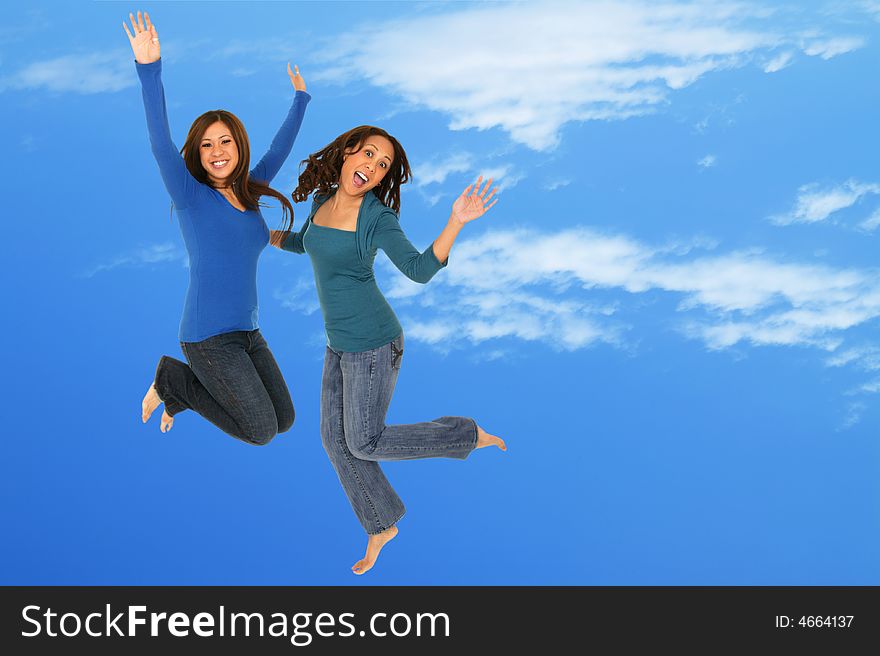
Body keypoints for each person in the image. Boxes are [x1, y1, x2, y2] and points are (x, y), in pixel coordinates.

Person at [272, 126, 506, 574]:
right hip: (337, 344)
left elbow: (419, 269)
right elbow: (305, 243)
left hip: (375, 344)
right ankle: (380, 523)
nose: (375, 168)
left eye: (383, 166)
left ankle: (465, 435)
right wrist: (262, 235)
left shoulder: (376, 219)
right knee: (334, 439)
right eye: (370, 155)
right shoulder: (322, 203)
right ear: (346, 153)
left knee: (364, 440)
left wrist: (455, 220)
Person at [124, 11, 310, 444]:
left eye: (225, 140)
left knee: (285, 419)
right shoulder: (190, 197)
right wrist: (150, 69)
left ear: (238, 146)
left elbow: (279, 148)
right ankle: (173, 379)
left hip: (248, 332)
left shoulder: (249, 192)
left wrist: (301, 99)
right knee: (261, 431)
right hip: (207, 338)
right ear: (198, 154)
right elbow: (159, 143)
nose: (217, 150)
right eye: (207, 144)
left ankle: (180, 386)